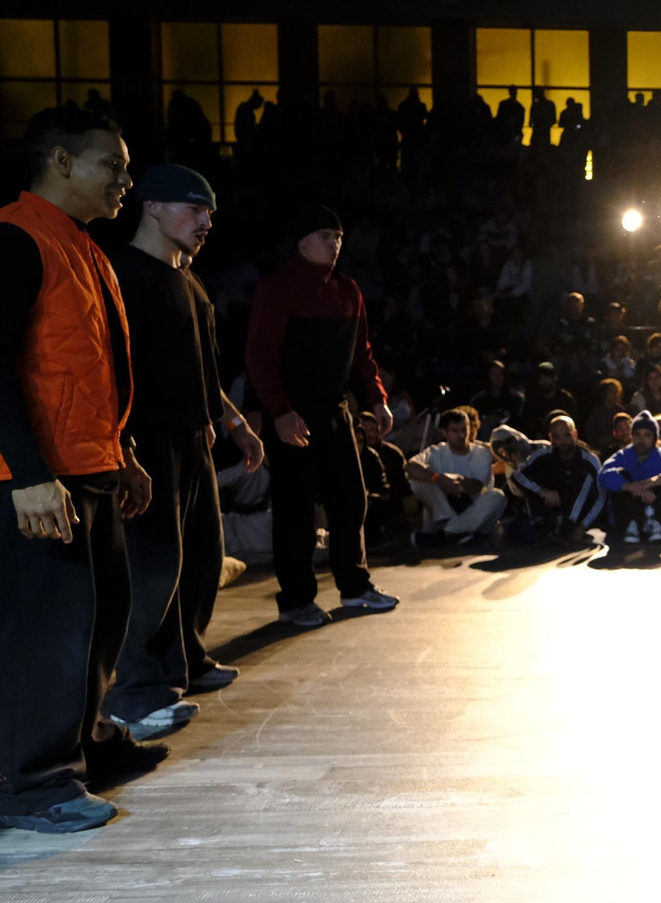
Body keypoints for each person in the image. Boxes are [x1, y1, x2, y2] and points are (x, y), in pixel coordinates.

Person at [0, 106, 159, 834]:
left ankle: (85, 738)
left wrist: (122, 451)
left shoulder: (83, 246)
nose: (125, 181)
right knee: (48, 634)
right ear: (60, 162)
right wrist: (25, 473)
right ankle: (33, 781)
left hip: (90, 465)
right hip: (41, 478)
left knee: (100, 620)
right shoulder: (15, 237)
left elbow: (88, 367)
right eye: (113, 166)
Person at [103, 164, 266, 741]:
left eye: (210, 212)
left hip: (194, 436)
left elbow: (205, 368)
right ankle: (135, 695)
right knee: (152, 567)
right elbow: (110, 372)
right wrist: (122, 449)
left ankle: (187, 661)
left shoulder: (190, 283)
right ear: (151, 207)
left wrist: (236, 421)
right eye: (194, 209)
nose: (206, 222)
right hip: (148, 439)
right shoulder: (123, 275)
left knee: (199, 558)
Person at [245, 203, 400, 627]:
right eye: (326, 236)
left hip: (334, 410)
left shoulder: (348, 290)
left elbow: (362, 356)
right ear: (302, 242)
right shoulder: (278, 288)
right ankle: (296, 600)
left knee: (350, 499)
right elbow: (259, 354)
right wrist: (279, 411)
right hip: (293, 413)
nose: (335, 243)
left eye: (338, 237)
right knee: (294, 509)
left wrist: (377, 400)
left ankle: (354, 587)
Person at [405, 409, 506, 547]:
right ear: (444, 432)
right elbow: (410, 466)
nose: (461, 435)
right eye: (455, 430)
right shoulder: (436, 452)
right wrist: (438, 479)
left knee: (498, 497)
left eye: (464, 429)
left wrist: (460, 481)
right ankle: (461, 533)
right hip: (445, 508)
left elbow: (478, 487)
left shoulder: (481, 453)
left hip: (474, 508)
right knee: (418, 479)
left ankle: (445, 534)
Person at [499, 416, 606, 544]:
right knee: (514, 533)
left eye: (566, 435)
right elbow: (517, 476)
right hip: (551, 512)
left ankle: (568, 528)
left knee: (585, 479)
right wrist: (541, 490)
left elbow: (601, 495)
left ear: (575, 434)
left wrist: (582, 526)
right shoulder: (542, 456)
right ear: (551, 438)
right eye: (557, 437)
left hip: (579, 517)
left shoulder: (589, 460)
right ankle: (542, 529)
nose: (563, 441)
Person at [598, 410, 661, 543]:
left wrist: (651, 482)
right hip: (629, 511)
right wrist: (632, 487)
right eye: (637, 435)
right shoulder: (623, 454)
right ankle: (632, 523)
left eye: (647, 435)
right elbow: (603, 474)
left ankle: (658, 525)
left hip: (657, 508)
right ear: (632, 436)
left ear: (654, 437)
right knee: (619, 475)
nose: (641, 440)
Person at [470, 359, 527, 440]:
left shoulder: (517, 398)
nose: (497, 377)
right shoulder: (478, 400)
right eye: (493, 374)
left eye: (500, 373)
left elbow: (522, 424)